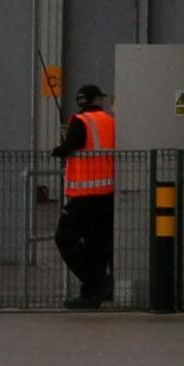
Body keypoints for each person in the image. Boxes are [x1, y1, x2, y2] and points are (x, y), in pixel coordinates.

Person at [54, 83, 118, 309]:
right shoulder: (110, 122)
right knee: (97, 246)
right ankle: (92, 294)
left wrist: (59, 149)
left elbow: (73, 145)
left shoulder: (80, 122)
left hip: (83, 195)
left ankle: (96, 282)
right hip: (108, 194)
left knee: (64, 238)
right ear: (98, 99)